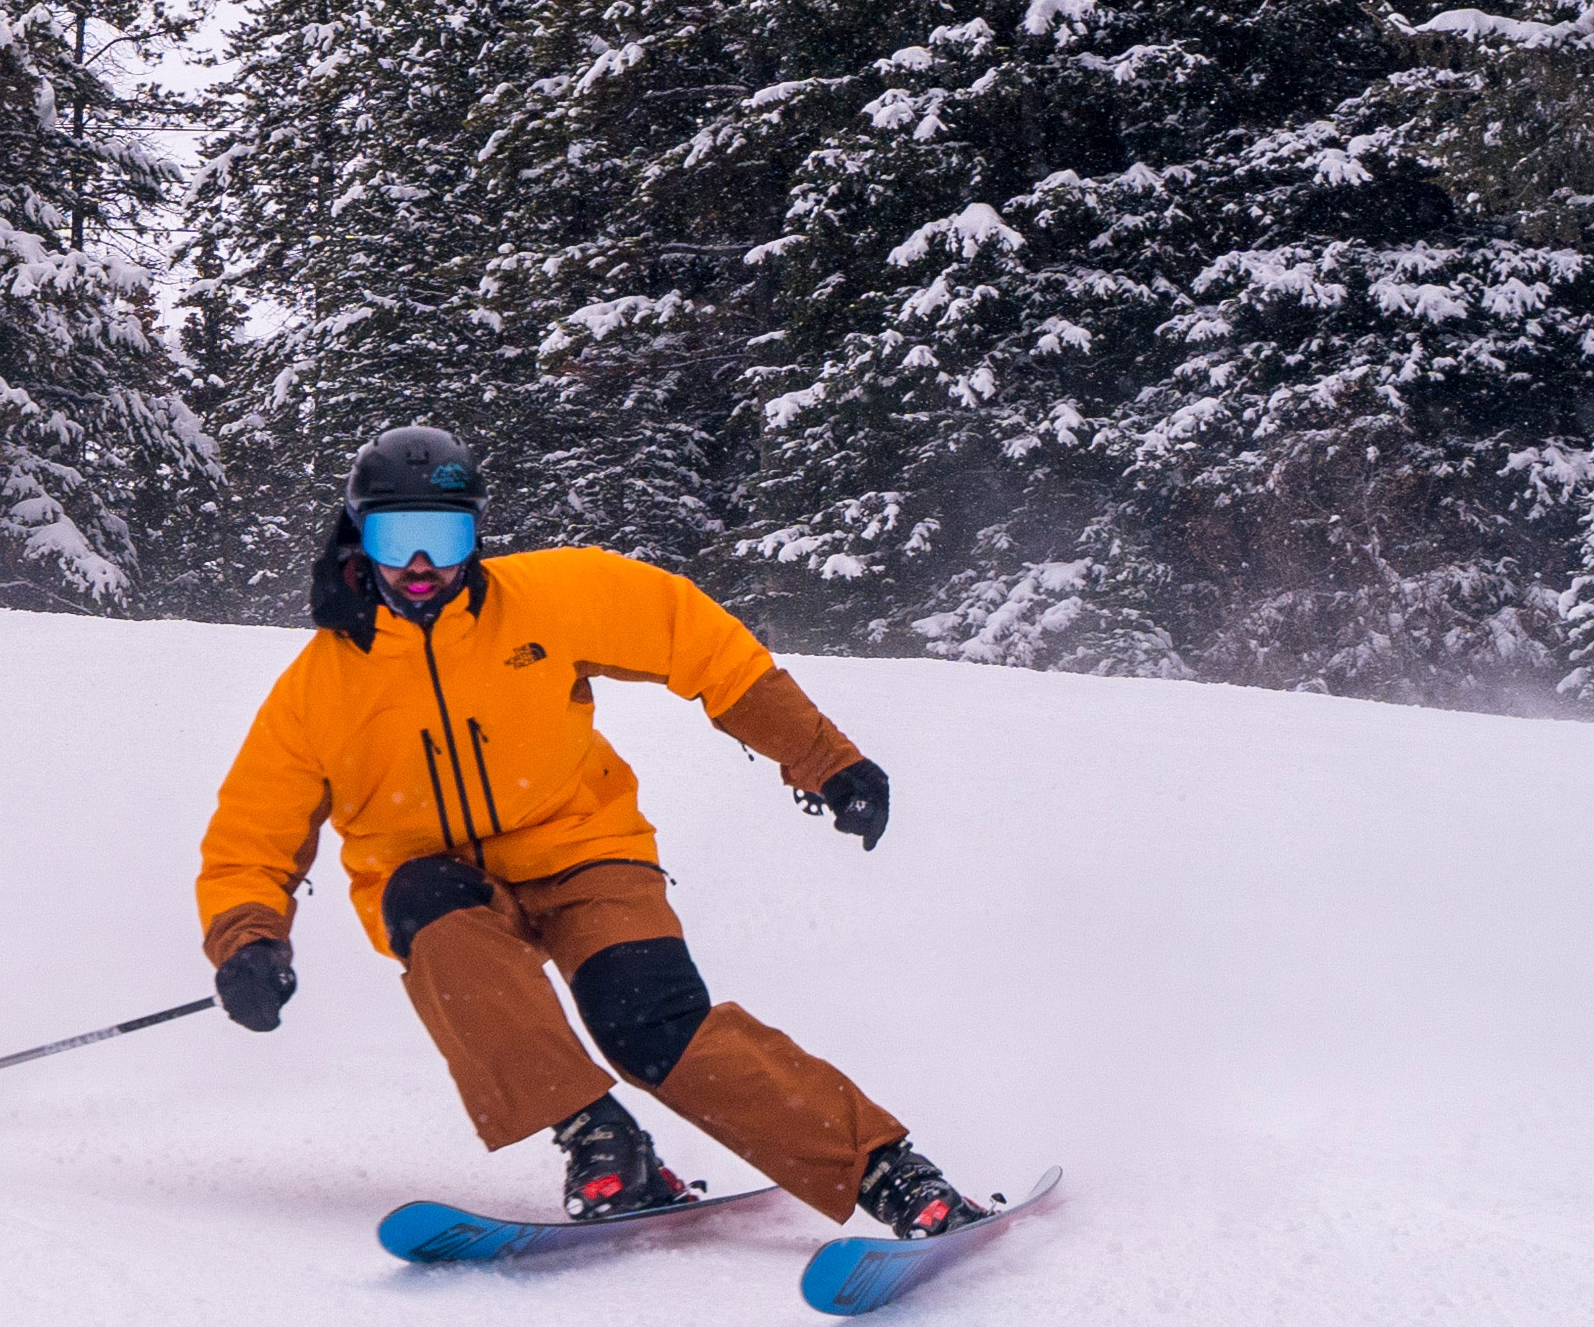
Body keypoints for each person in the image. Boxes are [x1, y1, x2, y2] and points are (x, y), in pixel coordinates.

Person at [193, 428, 997, 1237]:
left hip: (583, 849)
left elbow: (697, 639)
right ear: (358, 539)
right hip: (441, 885)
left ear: (476, 536)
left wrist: (824, 759)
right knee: (426, 905)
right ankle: (600, 1139)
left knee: (651, 1024)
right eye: (396, 539)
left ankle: (885, 1171)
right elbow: (250, 838)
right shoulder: (317, 689)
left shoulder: (548, 597)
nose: (421, 567)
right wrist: (248, 941)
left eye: (445, 537)